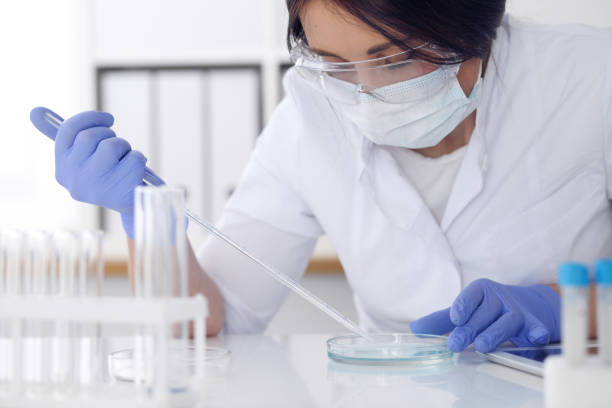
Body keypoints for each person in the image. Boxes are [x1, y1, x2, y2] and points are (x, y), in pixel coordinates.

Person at [48, 0, 612, 353]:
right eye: (336, 62)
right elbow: (215, 319)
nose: (364, 91)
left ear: (474, 30)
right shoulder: (310, 109)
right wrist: (144, 217)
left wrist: (570, 309)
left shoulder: (590, 76)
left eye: (394, 59)